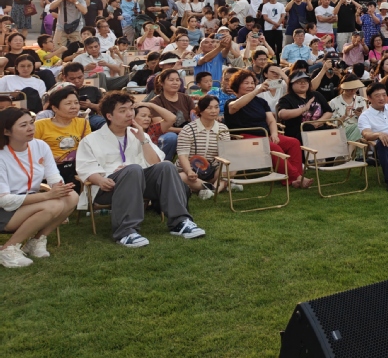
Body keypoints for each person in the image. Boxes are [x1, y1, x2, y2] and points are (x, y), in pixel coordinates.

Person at [75, 92, 205, 246]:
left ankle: (180, 222)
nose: (129, 114)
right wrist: (101, 180)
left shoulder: (138, 134)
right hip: (107, 187)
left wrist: (143, 140)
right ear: (109, 116)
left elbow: (155, 162)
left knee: (166, 166)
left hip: (140, 182)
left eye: (131, 109)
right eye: (123, 111)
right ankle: (126, 231)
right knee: (133, 169)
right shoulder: (91, 140)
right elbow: (85, 168)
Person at [0, 108, 78, 267]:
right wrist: (47, 196)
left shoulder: (40, 145)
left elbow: (53, 175)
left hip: (29, 201)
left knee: (72, 197)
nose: (30, 128)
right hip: (5, 209)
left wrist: (59, 188)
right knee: (52, 204)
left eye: (31, 123)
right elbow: (5, 201)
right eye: (23, 125)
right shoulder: (2, 155)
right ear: (6, 131)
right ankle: (8, 250)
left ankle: (35, 241)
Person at [224, 70, 311, 188]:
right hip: (244, 138)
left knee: (293, 143)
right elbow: (234, 107)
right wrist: (257, 91)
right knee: (273, 147)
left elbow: (270, 120)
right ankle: (297, 177)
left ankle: (292, 180)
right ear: (237, 85)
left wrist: (274, 134)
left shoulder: (261, 102)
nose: (250, 85)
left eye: (252, 83)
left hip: (265, 135)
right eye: (246, 83)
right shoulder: (231, 102)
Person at [176, 95, 228, 197]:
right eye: (209, 108)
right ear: (201, 110)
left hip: (212, 169)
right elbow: (183, 155)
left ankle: (210, 189)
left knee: (231, 166)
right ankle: (218, 186)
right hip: (191, 170)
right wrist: (189, 171)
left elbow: (225, 154)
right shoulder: (188, 129)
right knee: (180, 177)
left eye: (216, 107)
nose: (214, 110)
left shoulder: (223, 128)